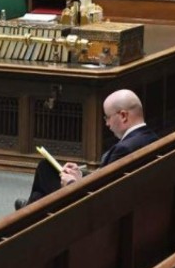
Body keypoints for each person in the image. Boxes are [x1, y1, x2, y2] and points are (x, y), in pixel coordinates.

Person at [15, 89, 158, 209]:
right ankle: (31, 207)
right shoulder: (152, 138)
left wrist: (72, 183)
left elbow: (102, 197)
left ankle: (29, 211)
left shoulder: (124, 150)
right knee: (46, 167)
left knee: (44, 173)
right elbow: (107, 180)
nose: (107, 124)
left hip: (88, 206)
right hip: (110, 196)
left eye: (107, 117)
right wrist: (81, 176)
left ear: (123, 115)